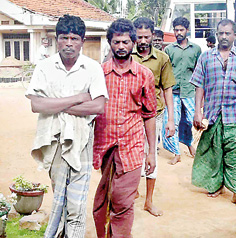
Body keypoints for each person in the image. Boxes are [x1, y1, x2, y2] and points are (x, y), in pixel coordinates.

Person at [25, 14, 108, 237]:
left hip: (82, 139)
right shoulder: (45, 67)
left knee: (77, 202)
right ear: (56, 39)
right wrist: (78, 98)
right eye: (64, 38)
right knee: (60, 195)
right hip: (52, 138)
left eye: (74, 38)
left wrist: (55, 105)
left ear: (82, 40)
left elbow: (98, 106)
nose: (68, 43)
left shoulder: (92, 68)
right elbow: (36, 104)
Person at [93, 18, 157, 237]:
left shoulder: (144, 75)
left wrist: (151, 153)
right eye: (116, 42)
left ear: (133, 43)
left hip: (132, 145)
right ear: (110, 43)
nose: (121, 46)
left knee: (122, 198)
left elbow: (149, 115)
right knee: (104, 197)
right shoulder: (98, 74)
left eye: (126, 42)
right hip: (104, 145)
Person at [190, 19, 236, 206]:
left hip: (235, 113)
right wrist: (197, 112)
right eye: (221, 33)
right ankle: (217, 185)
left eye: (228, 33)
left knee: (234, 152)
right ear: (216, 35)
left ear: (235, 35)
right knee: (215, 151)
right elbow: (199, 86)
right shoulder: (206, 57)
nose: (224, 36)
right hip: (212, 114)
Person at [132, 17, 176, 217]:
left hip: (154, 115)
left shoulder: (162, 58)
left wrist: (170, 119)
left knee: (151, 155)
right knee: (130, 156)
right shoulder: (125, 54)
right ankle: (132, 191)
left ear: (153, 36)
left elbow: (167, 89)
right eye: (139, 36)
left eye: (146, 37)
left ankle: (149, 201)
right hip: (130, 116)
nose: (142, 40)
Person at [163, 16, 201, 165]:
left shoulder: (196, 49)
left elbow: (199, 73)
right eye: (176, 30)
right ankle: (176, 153)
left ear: (187, 30)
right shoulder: (169, 49)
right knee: (172, 122)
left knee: (194, 121)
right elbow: (165, 73)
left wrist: (201, 97)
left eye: (181, 30)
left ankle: (193, 147)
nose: (178, 32)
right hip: (173, 93)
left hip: (190, 91)